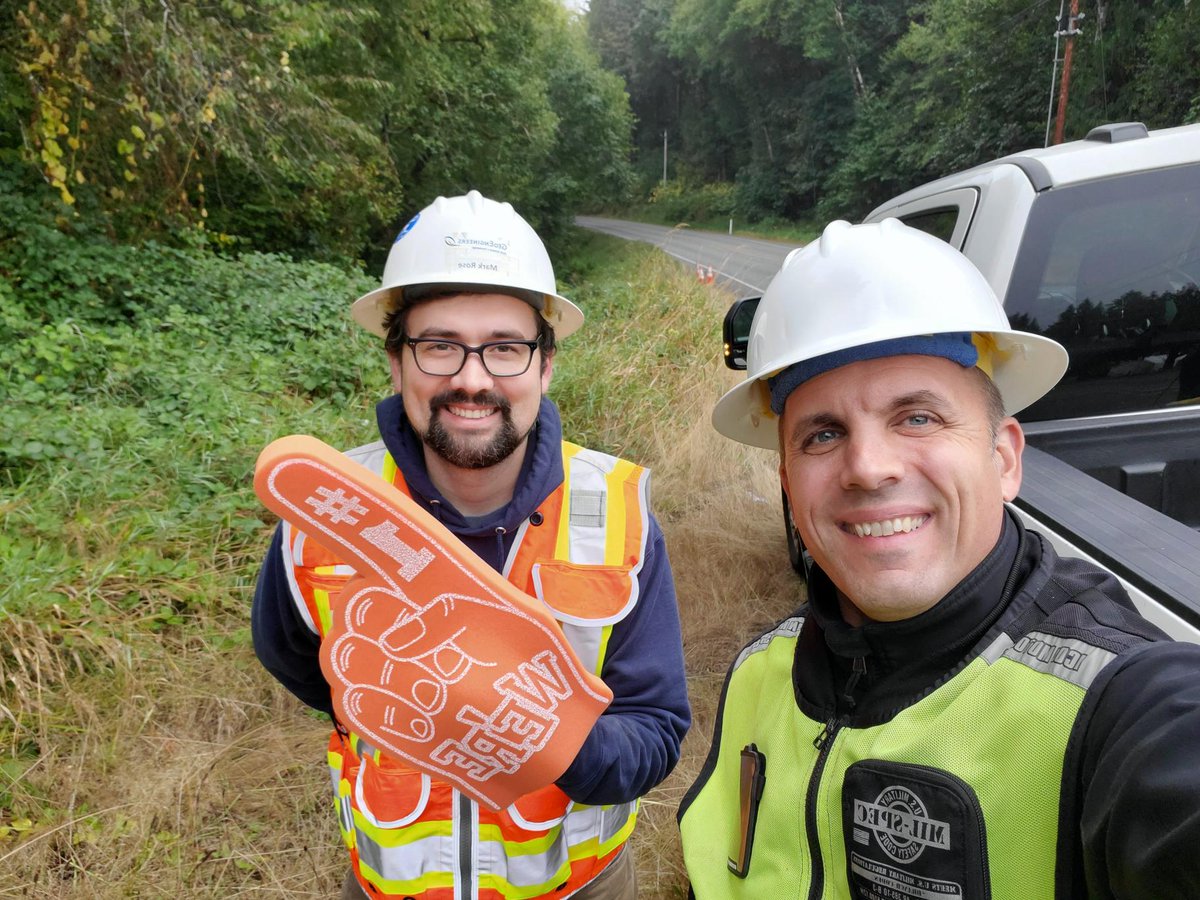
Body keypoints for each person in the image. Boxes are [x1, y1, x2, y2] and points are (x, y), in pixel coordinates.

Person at [678, 219, 1200, 898]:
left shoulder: (1118, 704)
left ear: (1005, 457)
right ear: (787, 483)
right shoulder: (759, 674)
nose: (867, 468)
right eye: (824, 434)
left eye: (917, 417)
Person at [252, 190, 690, 899]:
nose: (472, 377)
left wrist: (538, 735)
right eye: (439, 345)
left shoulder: (616, 513)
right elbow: (301, 663)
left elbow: (657, 728)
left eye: (505, 348)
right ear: (396, 362)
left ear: (545, 366)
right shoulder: (324, 508)